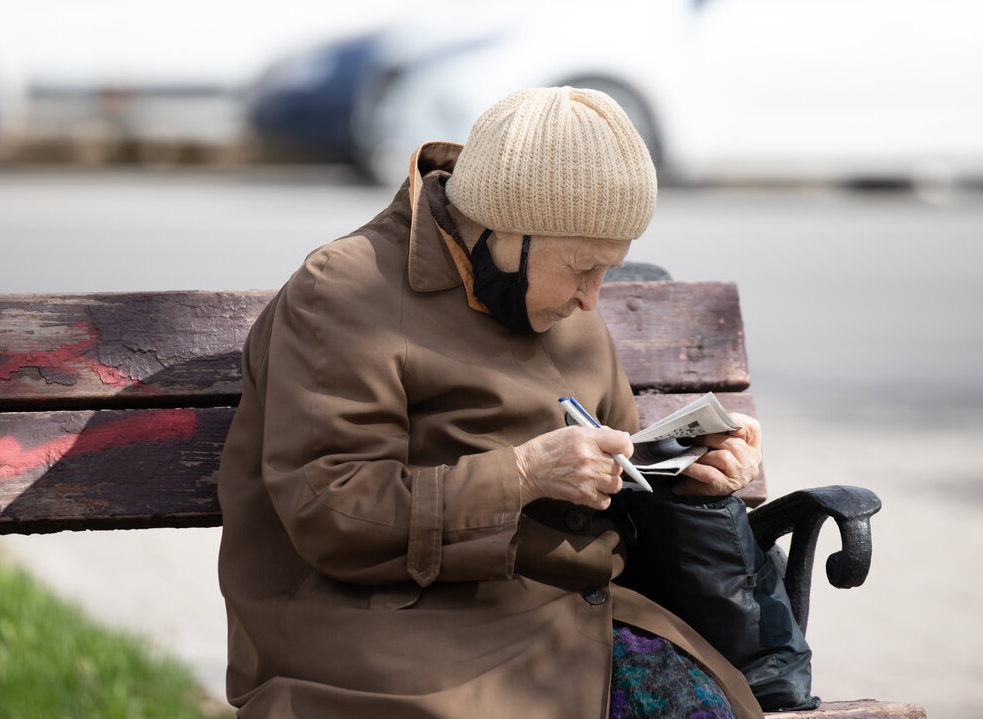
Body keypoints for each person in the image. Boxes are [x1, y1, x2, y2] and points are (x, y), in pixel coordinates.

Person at [217, 86, 767, 718]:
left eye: (610, 270)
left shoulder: (561, 306)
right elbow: (333, 511)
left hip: (567, 625)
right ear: (504, 229)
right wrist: (522, 475)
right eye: (583, 267)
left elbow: (620, 473)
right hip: (399, 645)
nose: (593, 298)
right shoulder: (344, 292)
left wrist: (691, 477)